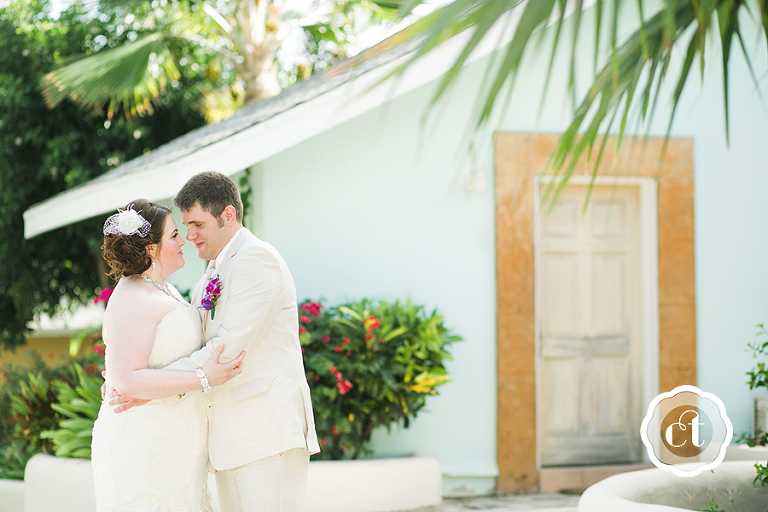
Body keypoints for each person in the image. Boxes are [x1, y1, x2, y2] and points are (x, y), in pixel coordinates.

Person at [111, 172, 320, 512]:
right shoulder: (207, 276)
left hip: (266, 435)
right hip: (228, 442)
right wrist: (136, 377)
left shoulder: (257, 259)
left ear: (228, 215)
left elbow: (226, 350)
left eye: (197, 225)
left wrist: (145, 386)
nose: (189, 236)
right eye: (184, 227)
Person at [91, 199, 245, 511]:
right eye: (174, 235)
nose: (183, 241)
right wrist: (203, 378)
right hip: (146, 445)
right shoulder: (133, 295)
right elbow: (126, 378)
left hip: (176, 445)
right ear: (151, 248)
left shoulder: (162, 289)